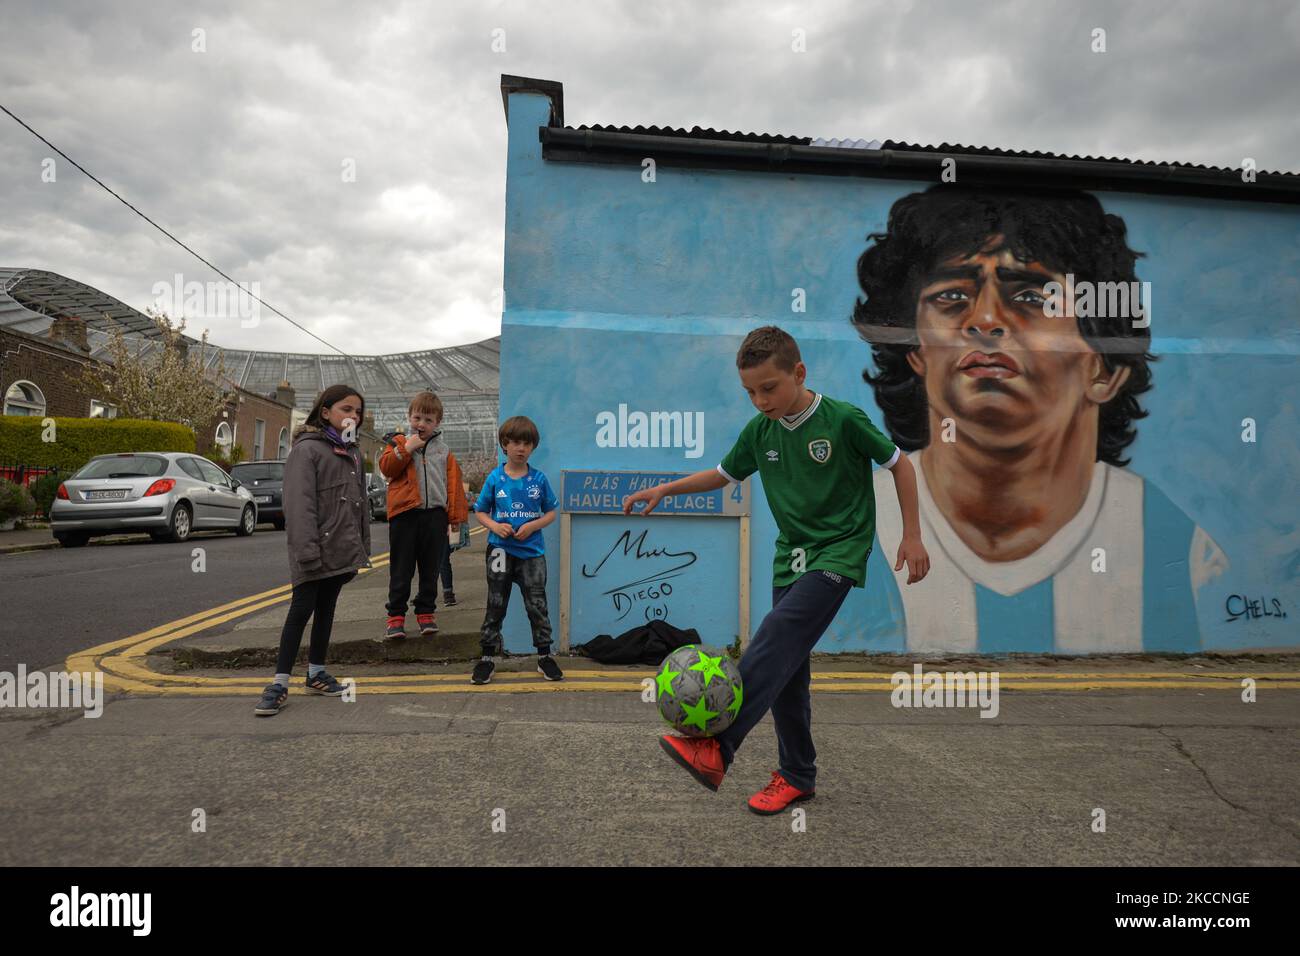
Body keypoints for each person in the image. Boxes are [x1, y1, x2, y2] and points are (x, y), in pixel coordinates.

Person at [852, 186, 1227, 653]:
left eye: (1032, 296)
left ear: (1104, 368)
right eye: (951, 295)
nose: (985, 319)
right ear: (915, 355)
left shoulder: (1180, 554)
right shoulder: (859, 525)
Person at [623, 326, 930, 813]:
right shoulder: (760, 432)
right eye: (750, 392)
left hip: (839, 553)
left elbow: (900, 466)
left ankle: (717, 749)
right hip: (791, 558)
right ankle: (797, 774)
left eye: (769, 388)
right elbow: (722, 476)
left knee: (775, 634)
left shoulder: (842, 420)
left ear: (798, 373)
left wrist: (911, 535)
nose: (760, 400)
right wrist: (665, 489)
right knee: (788, 671)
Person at [255, 385, 371, 716]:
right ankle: (278, 683)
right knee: (301, 610)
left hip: (341, 550)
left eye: (358, 412)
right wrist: (307, 552)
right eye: (346, 409)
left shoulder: (351, 452)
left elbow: (359, 506)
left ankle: (316, 673)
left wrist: (361, 548)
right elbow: (299, 505)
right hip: (313, 550)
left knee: (327, 609)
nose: (353, 417)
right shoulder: (306, 451)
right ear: (325, 412)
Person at [472, 416, 562, 685]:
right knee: (496, 603)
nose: (521, 448)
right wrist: (495, 526)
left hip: (532, 553)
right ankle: (487, 658)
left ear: (533, 447)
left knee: (537, 605)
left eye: (527, 443)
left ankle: (545, 656)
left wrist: (533, 525)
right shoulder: (495, 478)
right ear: (504, 445)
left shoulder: (539, 479)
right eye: (515, 442)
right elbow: (480, 511)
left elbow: (551, 513)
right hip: (499, 551)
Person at [379, 391, 469, 639]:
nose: (422, 424)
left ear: (437, 423)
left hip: (434, 516)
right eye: (418, 418)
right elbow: (387, 468)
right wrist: (407, 449)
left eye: (428, 420)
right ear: (409, 417)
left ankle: (426, 612)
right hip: (404, 515)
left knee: (430, 568)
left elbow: (453, 484)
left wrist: (454, 518)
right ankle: (395, 616)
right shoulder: (397, 444)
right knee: (401, 568)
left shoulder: (444, 451)